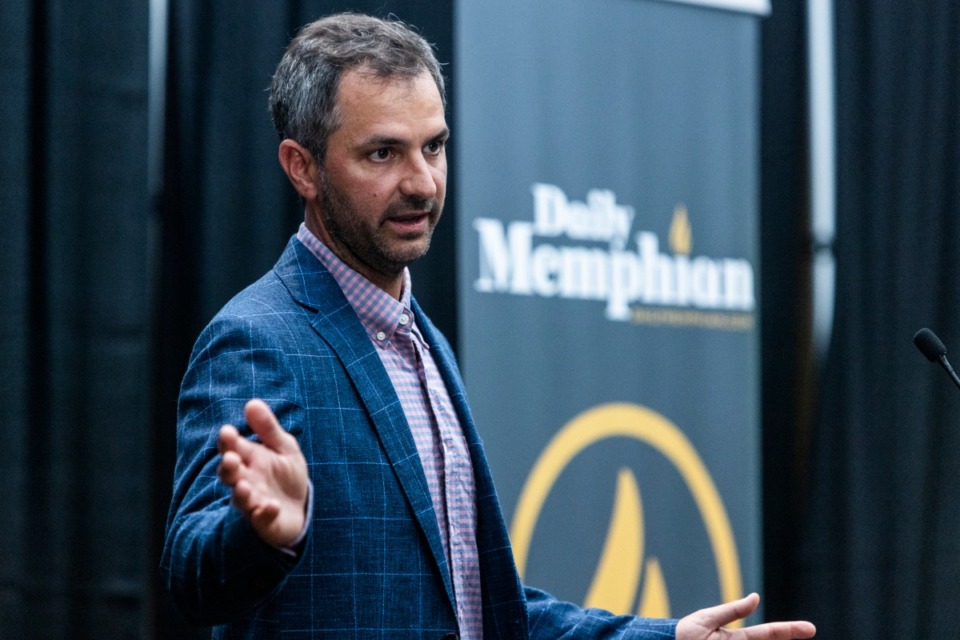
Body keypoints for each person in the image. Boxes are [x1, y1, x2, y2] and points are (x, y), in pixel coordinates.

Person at [161, 12, 816, 640]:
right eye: (383, 153)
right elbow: (191, 576)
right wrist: (263, 537)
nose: (422, 182)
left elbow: (482, 612)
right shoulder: (257, 337)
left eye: (434, 146)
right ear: (301, 166)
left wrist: (668, 636)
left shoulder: (426, 345)